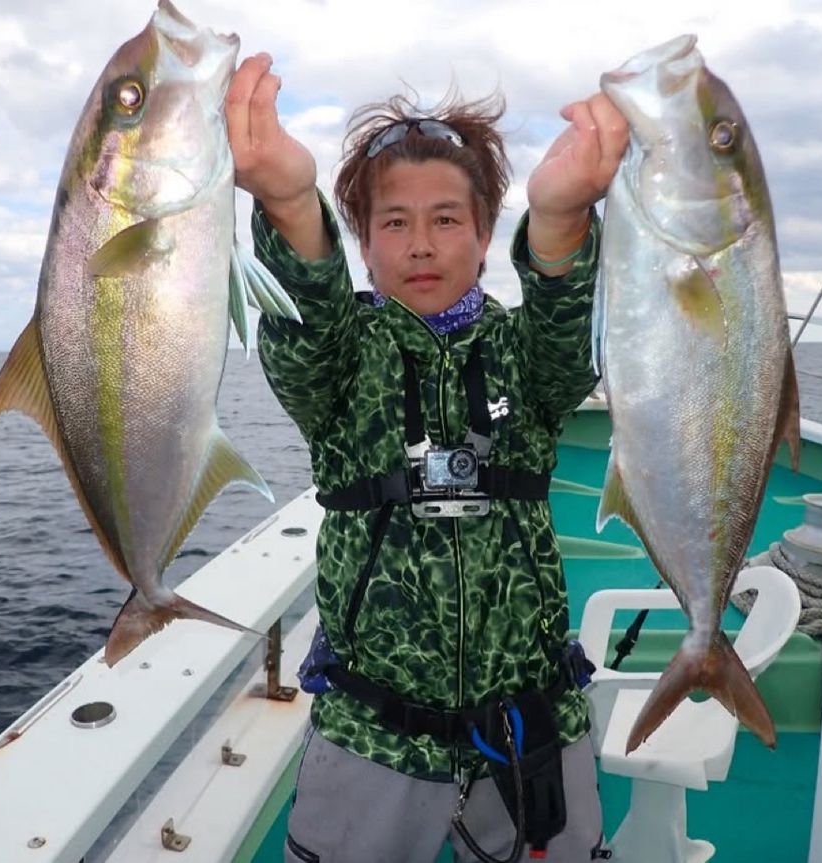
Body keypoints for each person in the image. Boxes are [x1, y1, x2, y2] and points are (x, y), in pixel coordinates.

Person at [226, 52, 627, 863]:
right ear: (363, 245)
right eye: (394, 222)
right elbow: (307, 317)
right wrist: (287, 197)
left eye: (447, 219)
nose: (421, 244)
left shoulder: (529, 357)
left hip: (531, 735)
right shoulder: (340, 363)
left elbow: (566, 317)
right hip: (372, 739)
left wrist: (558, 218)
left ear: (483, 236)